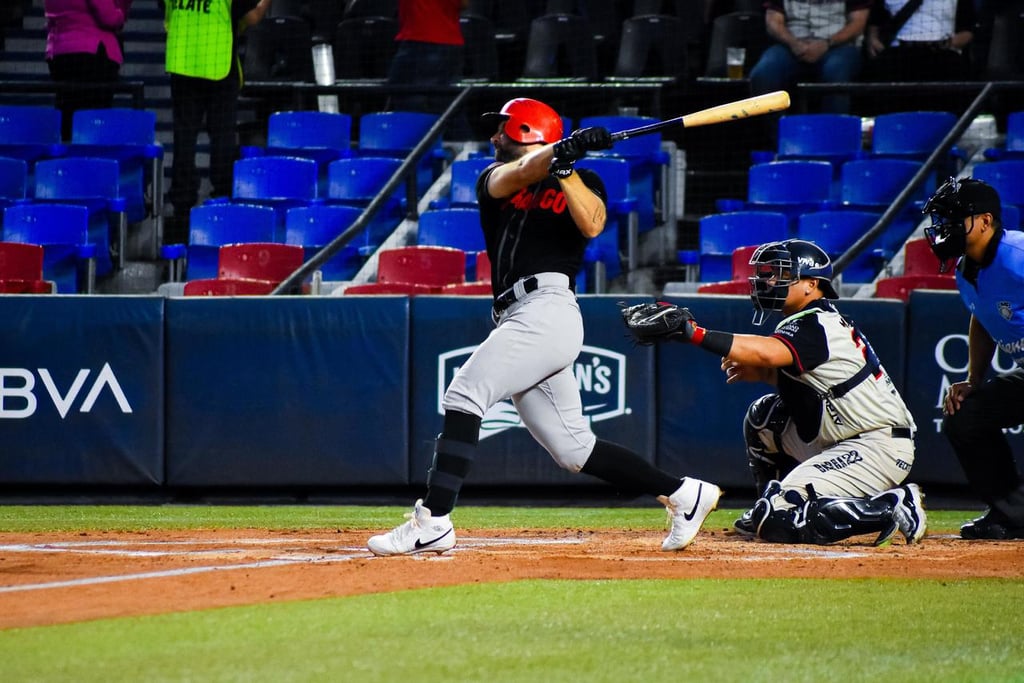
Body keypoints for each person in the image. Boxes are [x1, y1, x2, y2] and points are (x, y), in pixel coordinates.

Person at [367, 97, 722, 556]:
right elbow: (515, 175)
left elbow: (593, 225)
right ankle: (684, 493)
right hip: (517, 312)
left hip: (549, 309)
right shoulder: (493, 180)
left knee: (464, 393)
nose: (495, 136)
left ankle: (433, 520)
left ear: (529, 130)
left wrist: (567, 166)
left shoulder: (582, 179)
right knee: (574, 449)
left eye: (504, 128)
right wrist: (558, 153)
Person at [624, 239, 927, 545]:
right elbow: (814, 386)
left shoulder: (817, 323)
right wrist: (768, 375)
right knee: (766, 417)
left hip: (876, 447)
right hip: (844, 439)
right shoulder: (810, 321)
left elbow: (768, 353)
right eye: (768, 274)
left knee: (780, 521)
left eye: (781, 274)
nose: (768, 281)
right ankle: (768, 503)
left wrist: (694, 332)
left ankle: (892, 506)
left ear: (811, 284)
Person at [923, 177, 1024, 540]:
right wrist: (974, 379)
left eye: (954, 219)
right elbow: (981, 318)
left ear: (985, 221)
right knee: (965, 415)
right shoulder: (965, 270)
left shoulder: (1019, 255)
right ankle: (1013, 513)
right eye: (942, 220)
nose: (944, 229)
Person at [162, 0, 272, 243]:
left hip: (183, 59)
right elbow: (252, 16)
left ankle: (181, 205)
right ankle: (221, 197)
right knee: (222, 135)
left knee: (184, 138)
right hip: (217, 63)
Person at [748, 0, 870, 114]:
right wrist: (794, 43)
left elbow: (858, 23)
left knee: (836, 69)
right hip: (791, 45)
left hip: (838, 45)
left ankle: (831, 133)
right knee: (764, 73)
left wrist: (827, 43)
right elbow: (773, 22)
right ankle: (777, 134)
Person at [44, 0, 128, 141]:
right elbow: (110, 17)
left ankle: (67, 160)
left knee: (68, 115)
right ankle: (90, 160)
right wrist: (120, 13)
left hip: (59, 52)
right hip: (91, 54)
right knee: (93, 119)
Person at [386, 0, 469, 137]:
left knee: (410, 99)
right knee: (445, 103)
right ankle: (465, 147)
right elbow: (464, 4)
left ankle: (416, 148)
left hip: (421, 41)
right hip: (448, 43)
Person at [862, 0, 975, 82]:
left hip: (941, 54)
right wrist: (873, 38)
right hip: (898, 54)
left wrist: (947, 44)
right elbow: (875, 21)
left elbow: (967, 30)